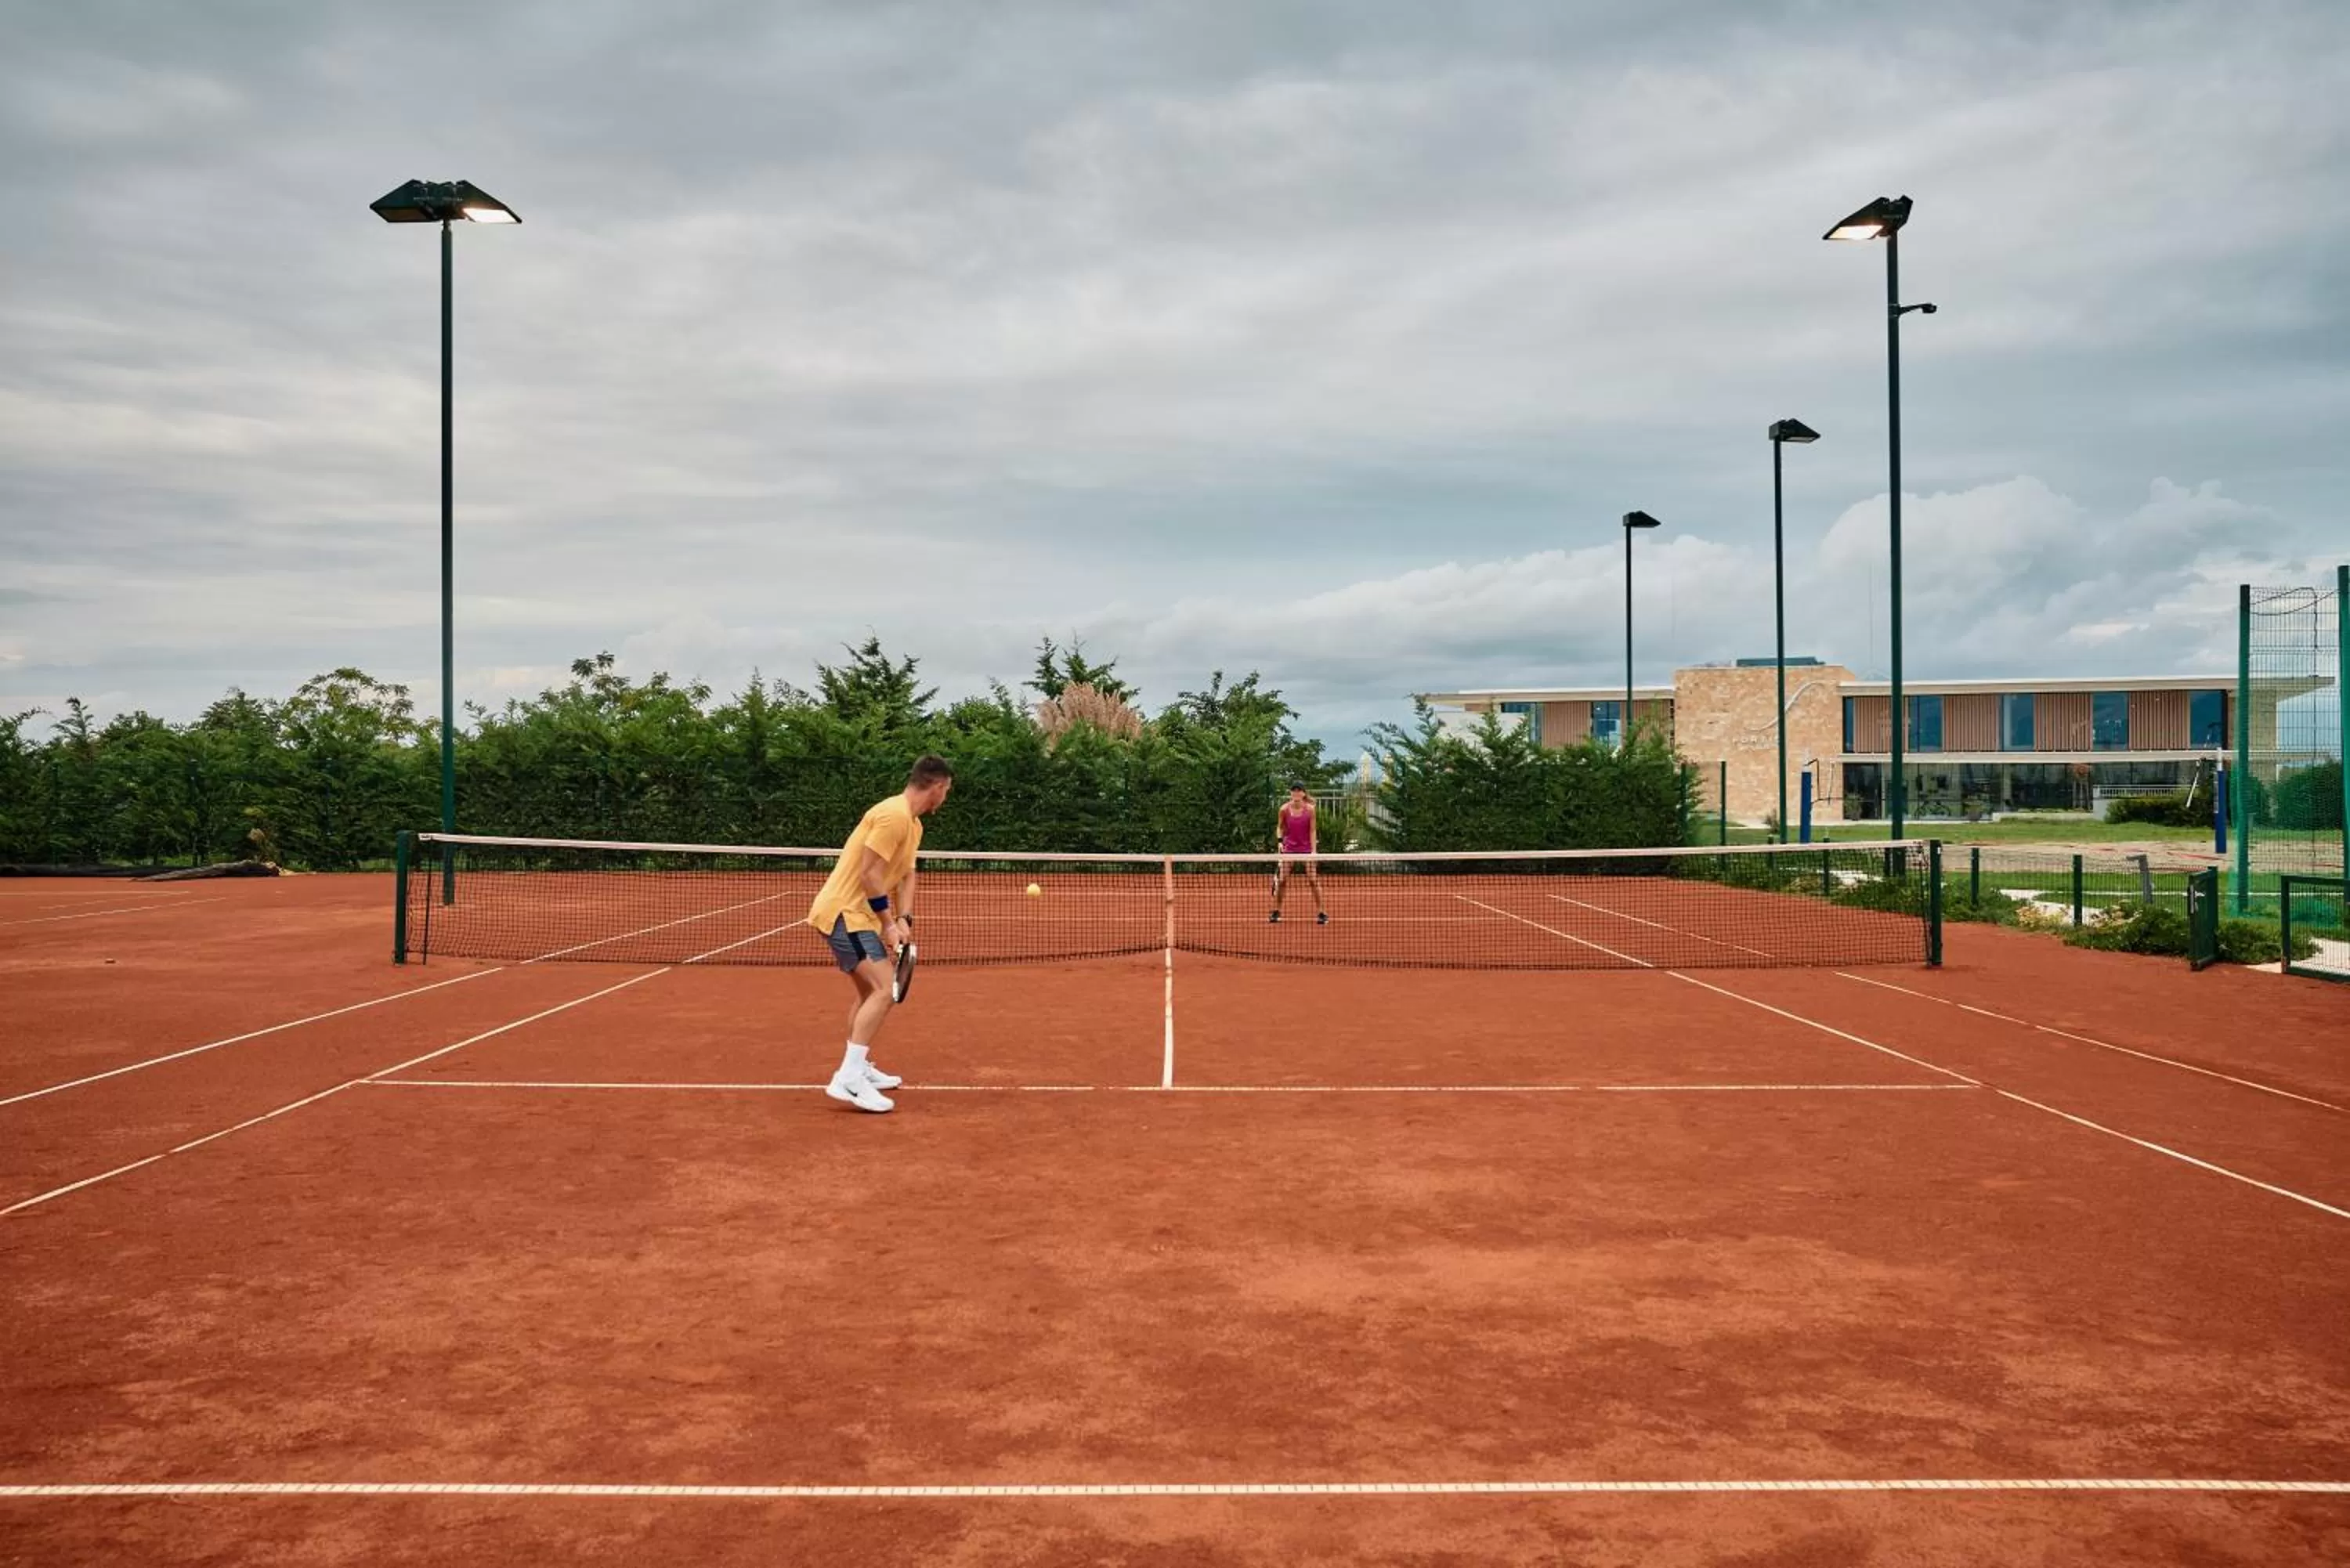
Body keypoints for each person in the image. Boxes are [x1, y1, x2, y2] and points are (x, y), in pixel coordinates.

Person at [807, 755, 955, 1113]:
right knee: (884, 990)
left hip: (859, 917)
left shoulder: (913, 825)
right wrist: (888, 923)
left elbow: (907, 874)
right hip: (845, 913)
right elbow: (868, 874)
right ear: (936, 787)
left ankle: (858, 1067)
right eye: (946, 791)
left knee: (867, 993)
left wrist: (904, 919)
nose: (945, 798)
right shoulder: (893, 816)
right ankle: (848, 1078)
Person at [1268, 782, 1328, 925]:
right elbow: (1280, 827)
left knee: (1313, 880)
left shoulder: (1310, 810)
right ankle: (1276, 911)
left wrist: (1314, 851)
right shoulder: (1284, 809)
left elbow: (1313, 831)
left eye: (1299, 790)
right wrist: (1280, 841)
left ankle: (1322, 913)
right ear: (1291, 793)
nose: (1296, 793)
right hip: (1289, 850)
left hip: (1307, 850)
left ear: (1303, 794)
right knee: (1282, 880)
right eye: (1293, 790)